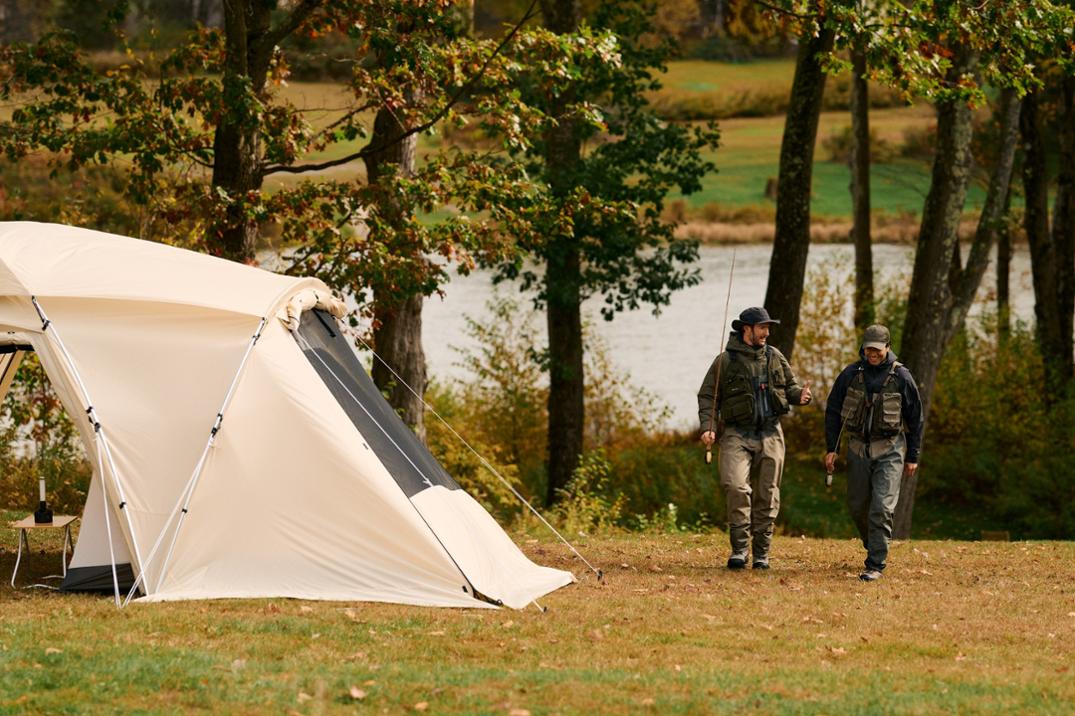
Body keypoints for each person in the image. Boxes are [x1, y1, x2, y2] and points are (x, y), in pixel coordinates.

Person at [698, 307, 811, 570]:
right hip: (737, 434)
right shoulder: (724, 361)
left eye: (768, 328)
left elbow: (790, 387)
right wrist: (708, 426)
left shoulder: (774, 356)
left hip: (771, 432)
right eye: (762, 328)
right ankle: (739, 550)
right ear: (746, 329)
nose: (767, 333)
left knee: (768, 493)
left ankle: (761, 554)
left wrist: (801, 397)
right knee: (736, 486)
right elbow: (708, 397)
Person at [824, 324, 923, 582]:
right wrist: (831, 448)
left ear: (887, 347)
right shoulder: (850, 374)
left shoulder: (902, 377)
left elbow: (916, 419)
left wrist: (913, 455)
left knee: (881, 507)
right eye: (869, 348)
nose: (873, 353)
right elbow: (833, 411)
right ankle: (874, 543)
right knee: (857, 506)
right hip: (857, 448)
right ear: (863, 347)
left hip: (890, 449)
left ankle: (875, 563)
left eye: (877, 349)